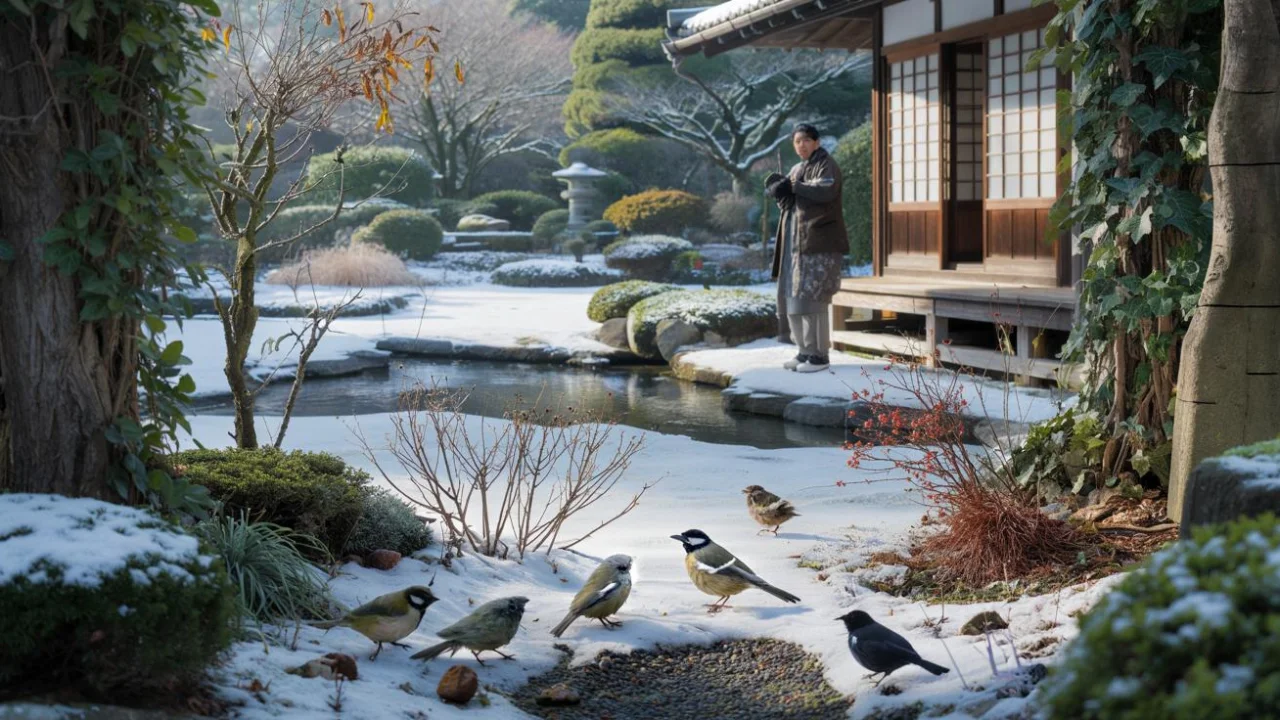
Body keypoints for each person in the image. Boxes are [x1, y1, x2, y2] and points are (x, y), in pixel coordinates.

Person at [765, 123, 849, 373]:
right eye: (797, 141)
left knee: (814, 300)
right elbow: (790, 203)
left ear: (816, 142)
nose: (801, 145)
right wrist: (781, 193)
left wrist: (793, 186)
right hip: (795, 245)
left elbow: (824, 191)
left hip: (818, 244)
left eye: (805, 140)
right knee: (793, 299)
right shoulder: (796, 169)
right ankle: (804, 350)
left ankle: (820, 356)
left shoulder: (827, 164)